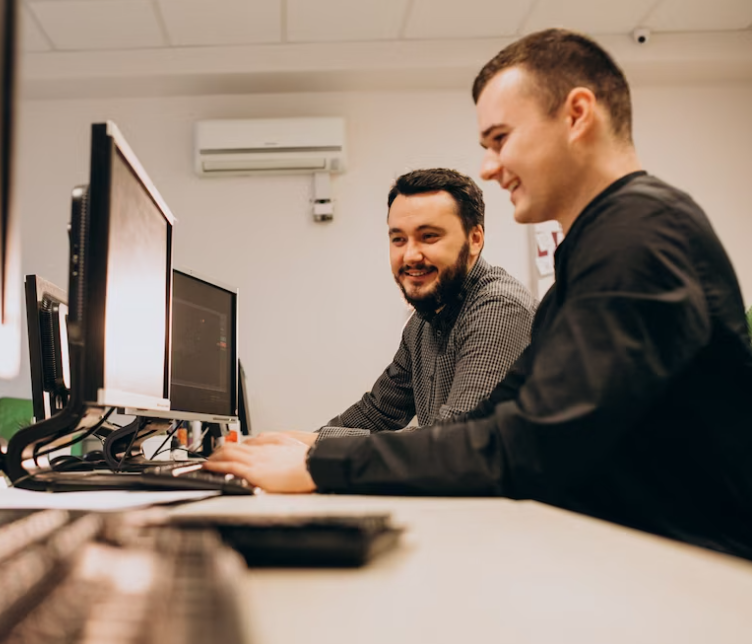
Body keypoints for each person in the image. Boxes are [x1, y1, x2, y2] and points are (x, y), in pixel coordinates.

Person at [206, 28, 752, 560]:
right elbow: (485, 427)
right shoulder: (599, 248)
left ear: (577, 115)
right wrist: (314, 447)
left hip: (691, 570)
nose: (490, 168)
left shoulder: (639, 236)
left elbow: (523, 448)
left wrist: (319, 466)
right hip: (641, 555)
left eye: (500, 140)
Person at [293, 168, 535, 447]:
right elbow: (379, 411)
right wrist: (298, 442)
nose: (410, 255)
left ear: (475, 239)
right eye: (398, 239)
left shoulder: (499, 308)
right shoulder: (425, 318)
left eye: (429, 236)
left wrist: (317, 446)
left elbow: (455, 440)